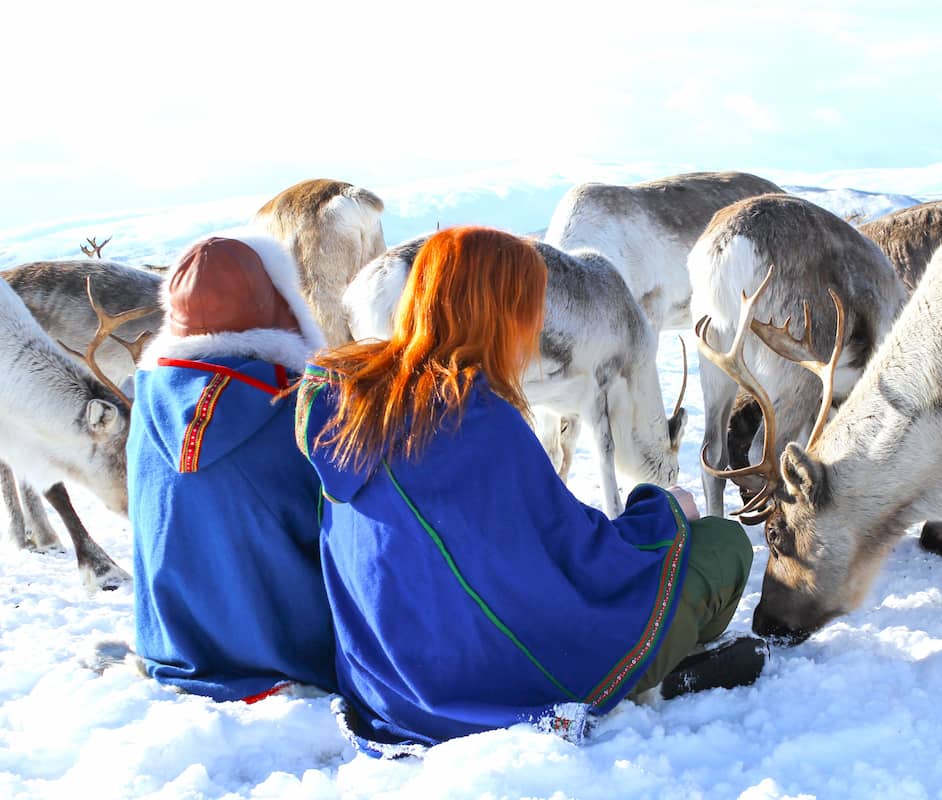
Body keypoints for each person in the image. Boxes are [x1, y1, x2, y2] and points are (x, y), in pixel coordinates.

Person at [296, 226, 766, 752]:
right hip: (494, 680)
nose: (535, 325)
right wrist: (664, 515)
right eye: (528, 307)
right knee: (722, 546)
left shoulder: (344, 403)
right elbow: (579, 563)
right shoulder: (474, 419)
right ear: (497, 313)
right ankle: (643, 680)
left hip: (390, 684)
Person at [129, 231, 337, 702]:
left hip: (173, 650)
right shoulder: (301, 407)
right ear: (283, 306)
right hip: (297, 653)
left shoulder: (144, 403)